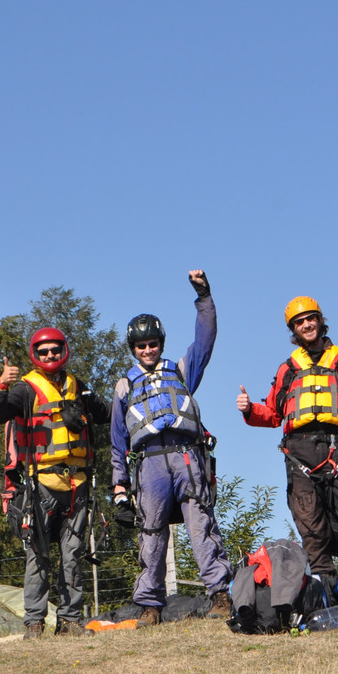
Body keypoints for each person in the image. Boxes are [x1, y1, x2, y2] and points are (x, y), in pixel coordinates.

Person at [236, 295, 338, 607]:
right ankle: (329, 591)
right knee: (309, 525)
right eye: (299, 322)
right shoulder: (288, 369)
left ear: (320, 321)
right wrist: (249, 410)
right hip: (299, 453)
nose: (306, 325)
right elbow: (273, 414)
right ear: (294, 330)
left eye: (310, 319)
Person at [111, 269, 233, 628]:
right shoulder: (123, 387)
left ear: (161, 343)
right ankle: (150, 605)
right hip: (148, 465)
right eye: (141, 345)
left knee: (202, 526)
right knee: (151, 533)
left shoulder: (181, 371)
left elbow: (206, 339)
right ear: (133, 349)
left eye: (153, 343)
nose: (148, 350)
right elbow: (118, 442)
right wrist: (119, 486)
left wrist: (204, 298)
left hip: (186, 457)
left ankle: (220, 593)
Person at [0, 327, 111, 638]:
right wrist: (2, 384)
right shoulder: (25, 389)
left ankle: (70, 621)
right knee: (38, 555)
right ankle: (34, 622)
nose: (50, 356)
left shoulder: (77, 387)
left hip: (77, 485)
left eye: (55, 350)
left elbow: (106, 413)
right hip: (40, 483)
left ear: (64, 350)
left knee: (72, 555)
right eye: (43, 352)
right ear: (35, 354)